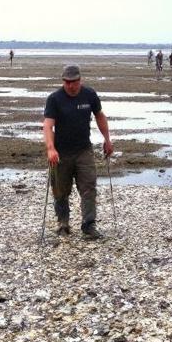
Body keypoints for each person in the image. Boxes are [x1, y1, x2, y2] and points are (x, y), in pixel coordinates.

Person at [43, 65, 114, 239]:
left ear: (79, 80)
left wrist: (107, 139)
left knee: (89, 187)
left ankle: (89, 225)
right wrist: (50, 149)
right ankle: (63, 223)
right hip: (61, 152)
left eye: (73, 82)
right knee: (60, 190)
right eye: (67, 82)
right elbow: (48, 125)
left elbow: (99, 116)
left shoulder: (89, 94)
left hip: (84, 150)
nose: (70, 85)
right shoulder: (54, 99)